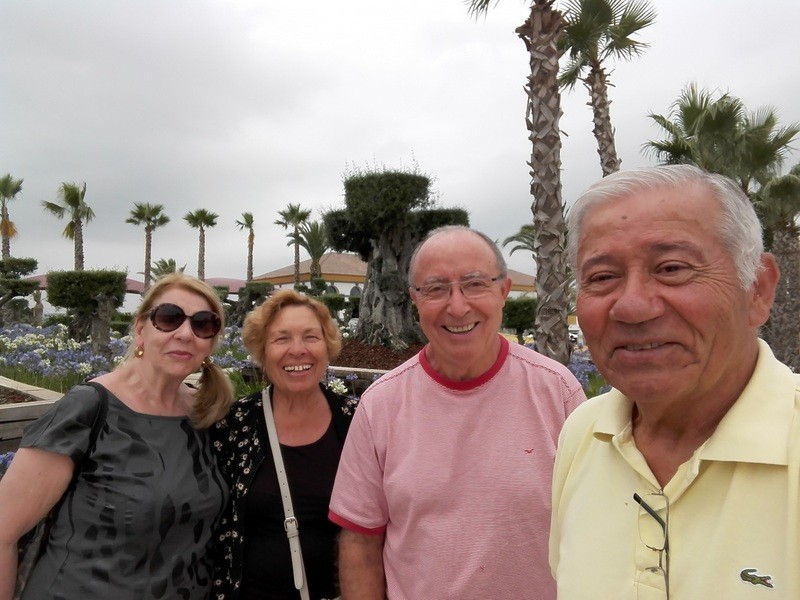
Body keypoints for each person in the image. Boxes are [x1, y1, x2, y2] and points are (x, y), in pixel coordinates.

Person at [549, 164, 800, 599]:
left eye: (671, 268)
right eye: (602, 277)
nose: (632, 307)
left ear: (758, 289)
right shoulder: (584, 433)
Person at [329, 225, 586, 599]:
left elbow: (594, 525)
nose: (458, 306)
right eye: (436, 289)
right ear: (415, 300)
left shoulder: (557, 391)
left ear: (503, 291)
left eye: (474, 284)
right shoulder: (380, 406)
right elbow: (360, 541)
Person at [0, 272, 234, 599]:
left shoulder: (206, 412)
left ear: (211, 341)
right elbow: (4, 532)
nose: (184, 333)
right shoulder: (90, 407)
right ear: (140, 329)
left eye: (203, 324)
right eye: (169, 318)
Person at [211, 289, 356, 600]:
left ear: (327, 346)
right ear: (262, 350)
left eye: (311, 337)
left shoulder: (356, 421)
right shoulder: (234, 424)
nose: (298, 350)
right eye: (281, 339)